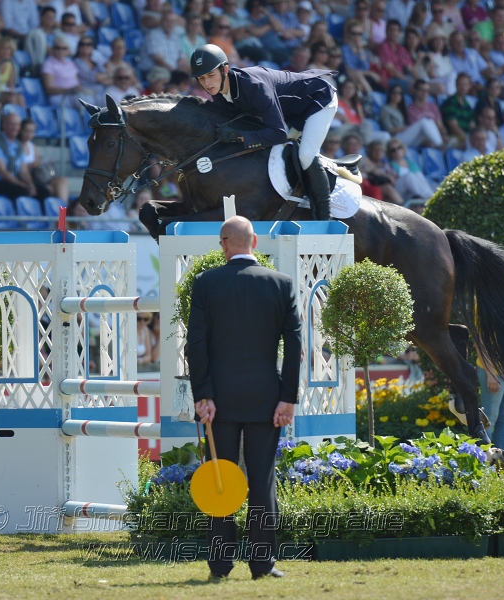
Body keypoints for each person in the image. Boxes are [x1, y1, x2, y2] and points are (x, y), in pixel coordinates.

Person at [188, 216, 301, 581]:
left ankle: (220, 564)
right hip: (267, 398)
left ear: (224, 244)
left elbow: (195, 345)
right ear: (254, 242)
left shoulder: (205, 283)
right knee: (262, 481)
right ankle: (263, 564)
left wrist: (202, 394)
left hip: (218, 400)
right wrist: (288, 398)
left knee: (220, 479)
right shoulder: (281, 284)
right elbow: (295, 346)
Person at [190, 44, 338, 220]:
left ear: (225, 70)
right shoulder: (220, 92)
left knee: (306, 154)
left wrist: (239, 136)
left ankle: (324, 216)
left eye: (211, 75)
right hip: (292, 113)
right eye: (201, 78)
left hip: (318, 99)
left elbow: (279, 134)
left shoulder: (253, 86)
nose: (207, 83)